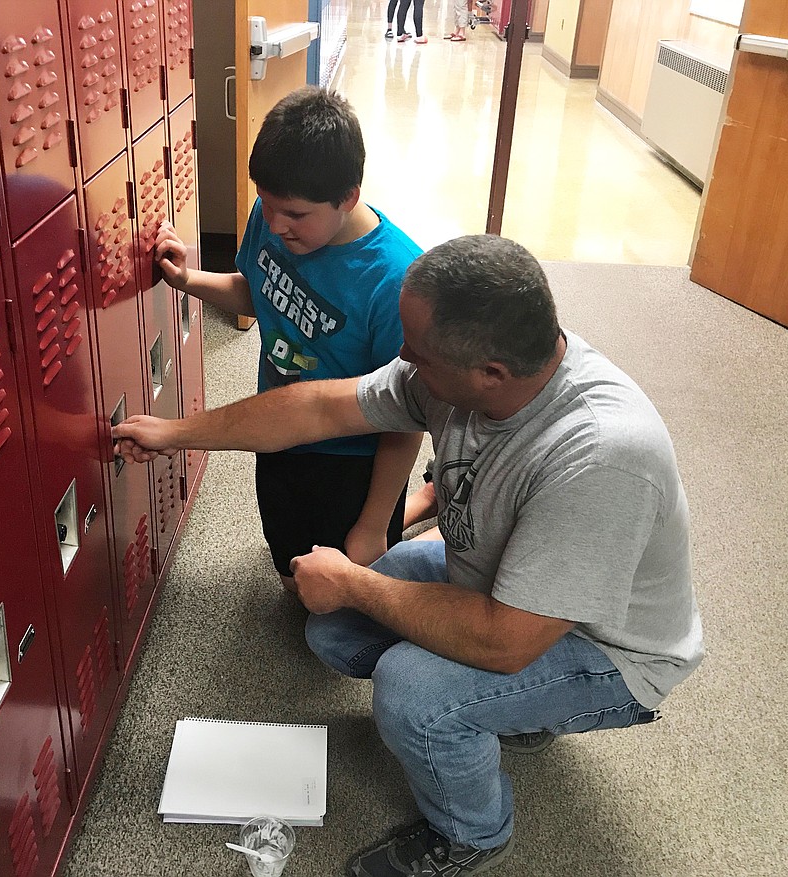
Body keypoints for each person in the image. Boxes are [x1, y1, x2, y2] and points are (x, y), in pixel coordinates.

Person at [114, 234, 704, 877]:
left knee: (411, 690)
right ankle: (497, 714)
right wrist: (175, 434)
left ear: (492, 374)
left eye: (417, 354)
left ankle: (474, 832)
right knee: (335, 631)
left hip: (606, 649)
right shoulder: (461, 378)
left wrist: (352, 581)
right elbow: (317, 407)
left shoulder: (602, 458)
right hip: (497, 580)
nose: (402, 358)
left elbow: (508, 641)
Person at [153, 86, 424, 594]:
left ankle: (416, 507)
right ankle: (423, 504)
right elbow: (256, 296)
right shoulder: (275, 216)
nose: (275, 226)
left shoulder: (397, 281)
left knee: (345, 594)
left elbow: (405, 423)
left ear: (348, 197)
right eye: (266, 205)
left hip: (351, 460)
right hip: (278, 432)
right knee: (291, 575)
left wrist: (371, 525)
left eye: (295, 215)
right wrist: (190, 280)